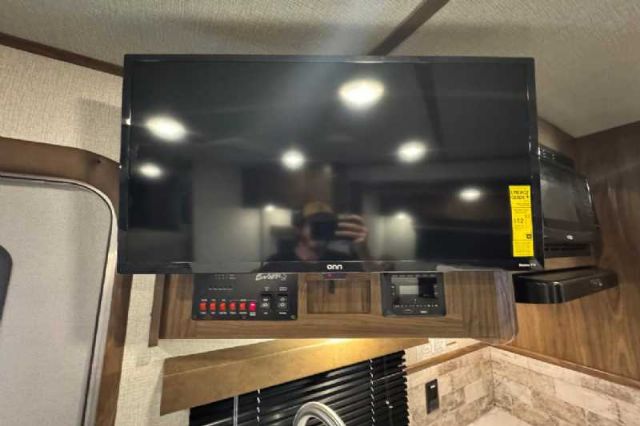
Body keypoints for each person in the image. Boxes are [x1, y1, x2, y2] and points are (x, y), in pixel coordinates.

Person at [260, 201, 369, 272]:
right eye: (316, 225)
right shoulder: (278, 263)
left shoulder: (343, 261)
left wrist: (362, 248)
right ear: (299, 229)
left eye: (327, 225)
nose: (322, 230)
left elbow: (371, 283)